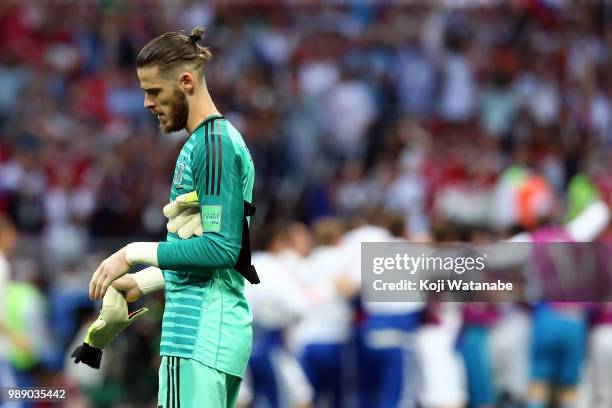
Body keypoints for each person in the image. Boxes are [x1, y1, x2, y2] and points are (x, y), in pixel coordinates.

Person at [88, 26, 258, 408]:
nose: (147, 103)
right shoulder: (211, 142)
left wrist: (132, 252)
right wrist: (146, 281)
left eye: (154, 91)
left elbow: (221, 249)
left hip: (197, 331)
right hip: (214, 332)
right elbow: (204, 247)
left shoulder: (213, 145)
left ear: (185, 82)